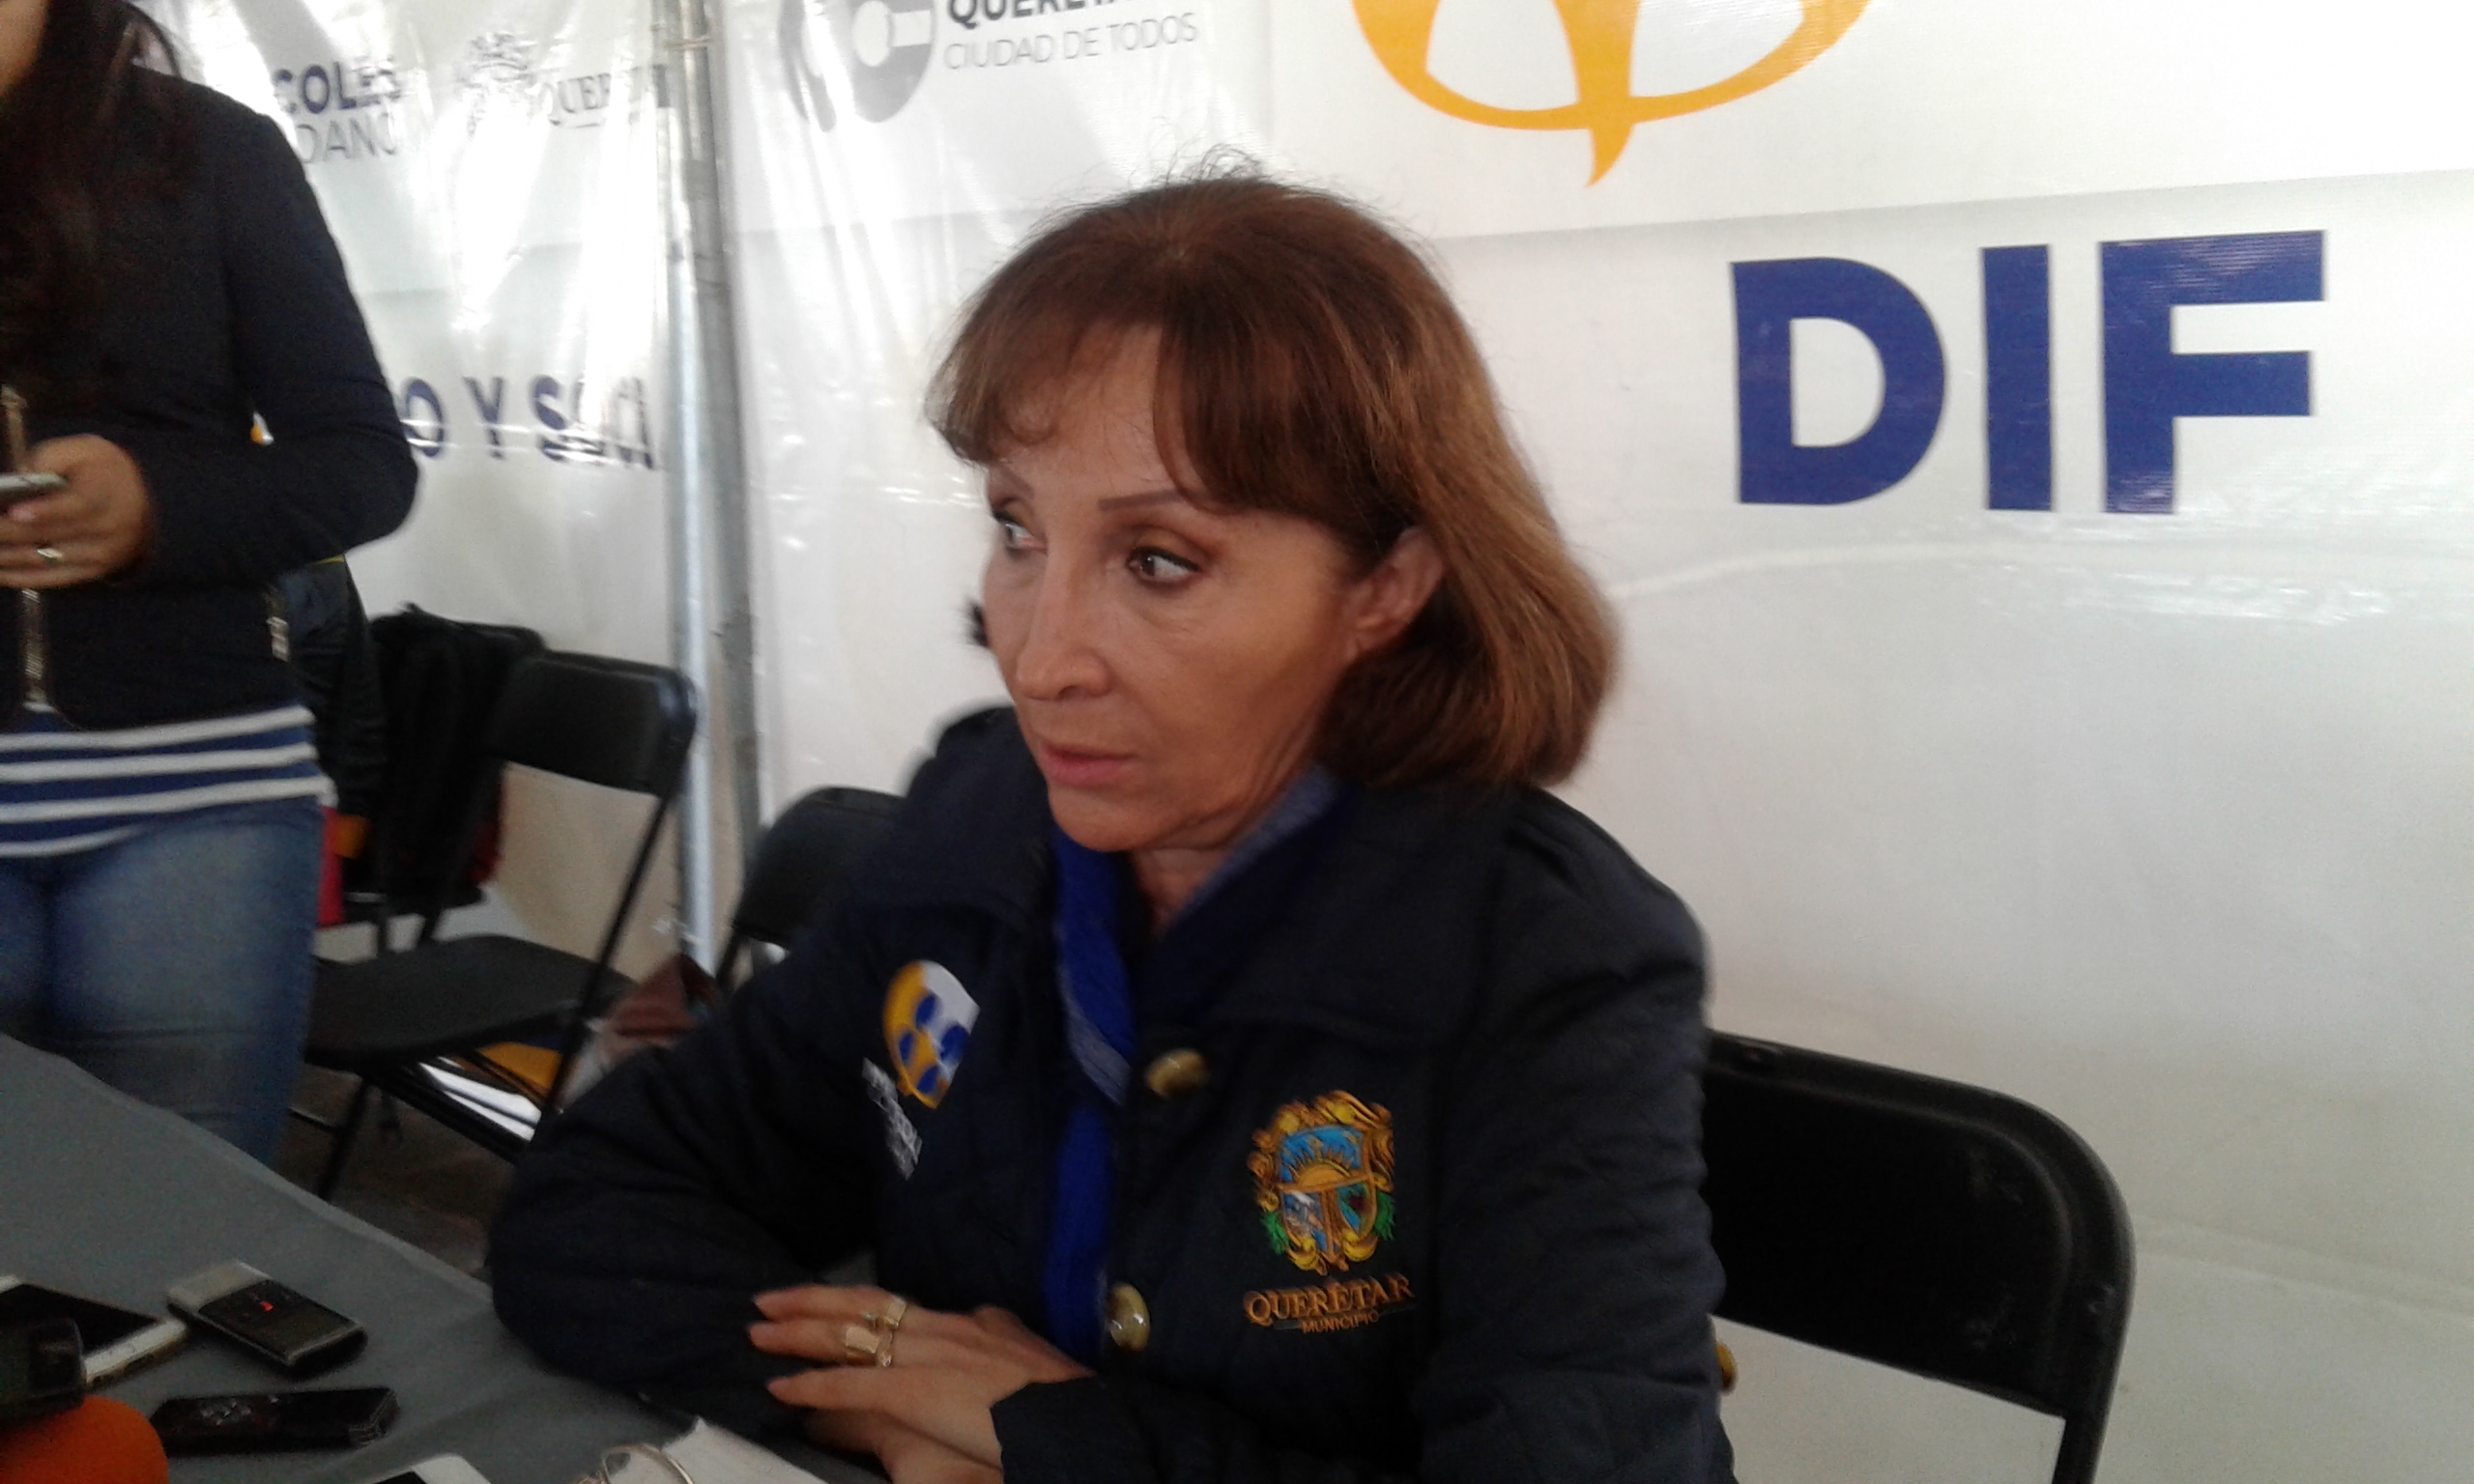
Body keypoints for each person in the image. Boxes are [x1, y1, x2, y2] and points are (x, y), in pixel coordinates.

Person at [490, 173, 1731, 1484]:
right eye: (1017, 530)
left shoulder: (1545, 959)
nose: (1040, 660)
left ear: (1384, 588)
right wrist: (882, 1394)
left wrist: (1051, 1440)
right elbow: (595, 1202)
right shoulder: (978, 815)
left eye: (1158, 561)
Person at [0, 0, 417, 1162]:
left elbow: (363, 465)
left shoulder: (212, 151)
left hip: (199, 803)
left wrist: (157, 508)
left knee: (190, 1231)